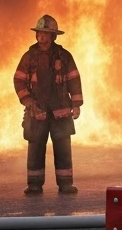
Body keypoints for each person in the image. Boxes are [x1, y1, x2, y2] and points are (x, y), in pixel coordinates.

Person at [13, 15, 83, 194]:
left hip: (61, 112)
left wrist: (76, 104)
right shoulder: (29, 57)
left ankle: (66, 184)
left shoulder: (64, 56)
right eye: (39, 33)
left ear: (53, 36)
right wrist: (28, 102)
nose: (41, 37)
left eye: (45, 34)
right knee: (35, 148)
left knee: (63, 149)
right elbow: (19, 80)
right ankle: (34, 185)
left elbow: (74, 80)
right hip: (36, 112)